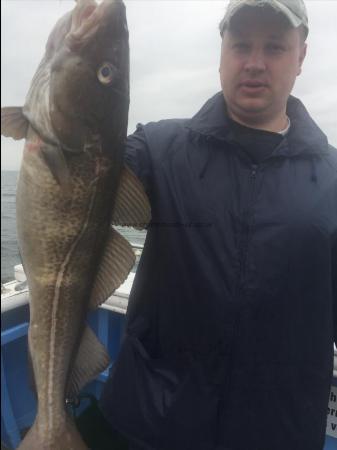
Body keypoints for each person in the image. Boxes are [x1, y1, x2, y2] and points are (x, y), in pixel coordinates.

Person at [100, 1, 337, 449]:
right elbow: (81, 174)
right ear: (222, 49)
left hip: (278, 433)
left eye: (274, 48)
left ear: (301, 56)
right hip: (157, 424)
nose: (254, 63)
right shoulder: (156, 149)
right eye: (241, 44)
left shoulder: (332, 180)